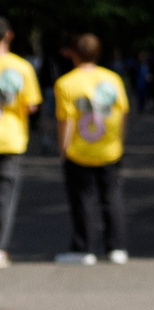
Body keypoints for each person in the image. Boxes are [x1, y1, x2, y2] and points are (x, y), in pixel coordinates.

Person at [54, 33, 129, 265]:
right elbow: (123, 112)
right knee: (112, 197)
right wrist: (120, 142)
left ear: (73, 53)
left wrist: (63, 150)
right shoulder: (113, 79)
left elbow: (66, 120)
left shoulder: (66, 83)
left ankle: (83, 248)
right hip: (110, 148)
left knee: (83, 199)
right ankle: (116, 247)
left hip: (80, 149)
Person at [0, 17, 37, 266]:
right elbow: (31, 104)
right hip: (10, 138)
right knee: (4, 197)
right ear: (9, 35)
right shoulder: (21, 67)